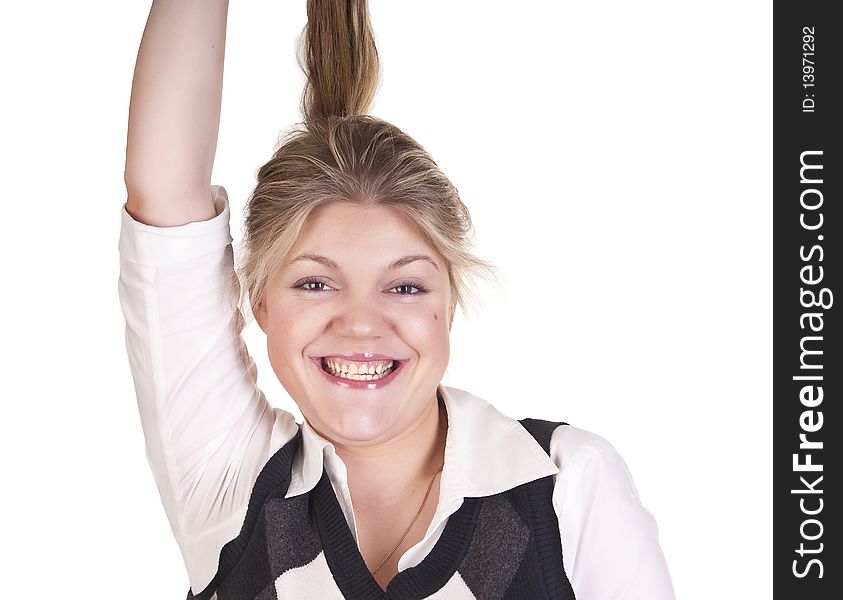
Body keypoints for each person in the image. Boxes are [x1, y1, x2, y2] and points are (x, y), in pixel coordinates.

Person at [118, 0, 676, 598]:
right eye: (315, 282)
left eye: (405, 286)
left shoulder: (564, 484)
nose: (362, 325)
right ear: (257, 303)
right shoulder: (234, 483)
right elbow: (165, 193)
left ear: (449, 304)